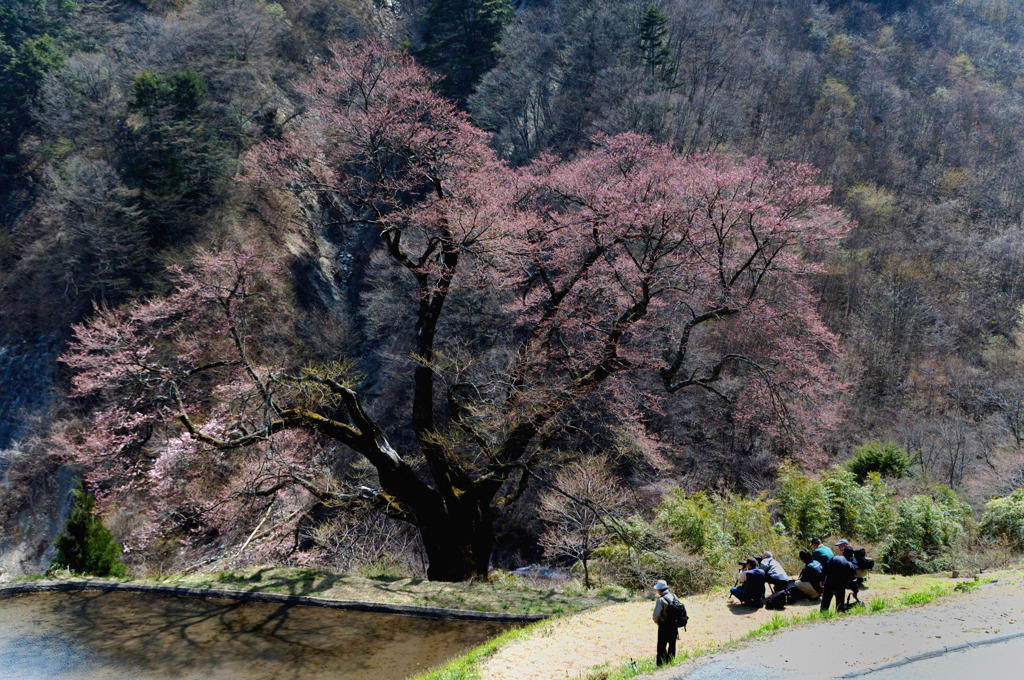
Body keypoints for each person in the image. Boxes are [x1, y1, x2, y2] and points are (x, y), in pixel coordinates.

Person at [652, 579, 683, 667]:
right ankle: (671, 662)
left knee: (661, 646)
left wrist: (657, 622)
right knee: (672, 645)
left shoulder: (661, 600)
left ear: (660, 590)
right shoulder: (674, 596)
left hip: (664, 626)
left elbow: (656, 615)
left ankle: (661, 665)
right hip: (674, 625)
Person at [820, 548, 857, 612]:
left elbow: (825, 568)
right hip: (841, 584)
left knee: (826, 599)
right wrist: (855, 592)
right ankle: (839, 613)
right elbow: (853, 581)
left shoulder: (835, 558)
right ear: (852, 555)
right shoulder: (850, 565)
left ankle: (823, 614)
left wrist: (822, 580)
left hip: (829, 581)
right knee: (840, 602)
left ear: (843, 552)